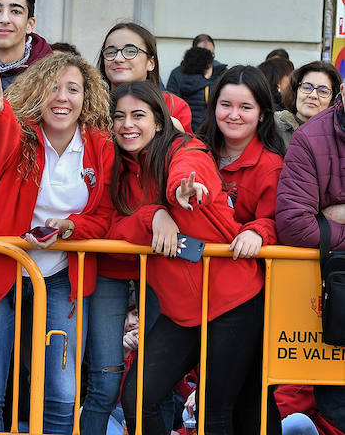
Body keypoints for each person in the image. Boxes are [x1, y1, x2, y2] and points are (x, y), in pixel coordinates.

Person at [103, 82, 265, 434]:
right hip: (181, 312)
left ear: (159, 122)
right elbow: (112, 228)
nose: (127, 124)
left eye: (138, 115)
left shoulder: (187, 148)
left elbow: (189, 174)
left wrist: (180, 193)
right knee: (136, 399)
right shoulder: (119, 169)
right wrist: (153, 216)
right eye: (119, 117)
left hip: (232, 300)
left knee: (217, 411)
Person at [0, 52, 112, 434]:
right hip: (2, 270)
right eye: (53, 87)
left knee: (63, 394)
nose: (62, 97)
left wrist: (73, 227)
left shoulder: (100, 145)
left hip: (64, 277)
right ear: (37, 91)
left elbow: (106, 215)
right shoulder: (22, 132)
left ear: (87, 97)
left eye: (73, 89)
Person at [197, 65, 285, 435]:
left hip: (247, 296)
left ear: (262, 112)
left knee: (240, 399)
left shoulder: (271, 164)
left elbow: (281, 218)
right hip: (196, 290)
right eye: (225, 104)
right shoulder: (196, 150)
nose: (233, 115)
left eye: (245, 107)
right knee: (240, 398)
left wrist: (259, 232)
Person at [276, 76, 345, 432]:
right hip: (331, 294)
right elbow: (294, 226)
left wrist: (335, 213)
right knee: (335, 403)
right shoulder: (310, 137)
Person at [97, 22, 192, 132]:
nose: (118, 58)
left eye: (130, 51)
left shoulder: (173, 106)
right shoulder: (91, 106)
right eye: (110, 52)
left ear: (151, 63)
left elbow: (193, 148)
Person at [166, 34, 227, 132]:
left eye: (211, 54)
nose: (207, 58)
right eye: (201, 53)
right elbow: (172, 105)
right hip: (183, 129)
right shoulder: (177, 73)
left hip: (212, 130)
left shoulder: (221, 72)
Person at [274, 61, 342, 149]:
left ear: (333, 100)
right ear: (295, 91)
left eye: (323, 91)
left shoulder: (338, 139)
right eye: (306, 87)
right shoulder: (274, 129)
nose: (313, 95)